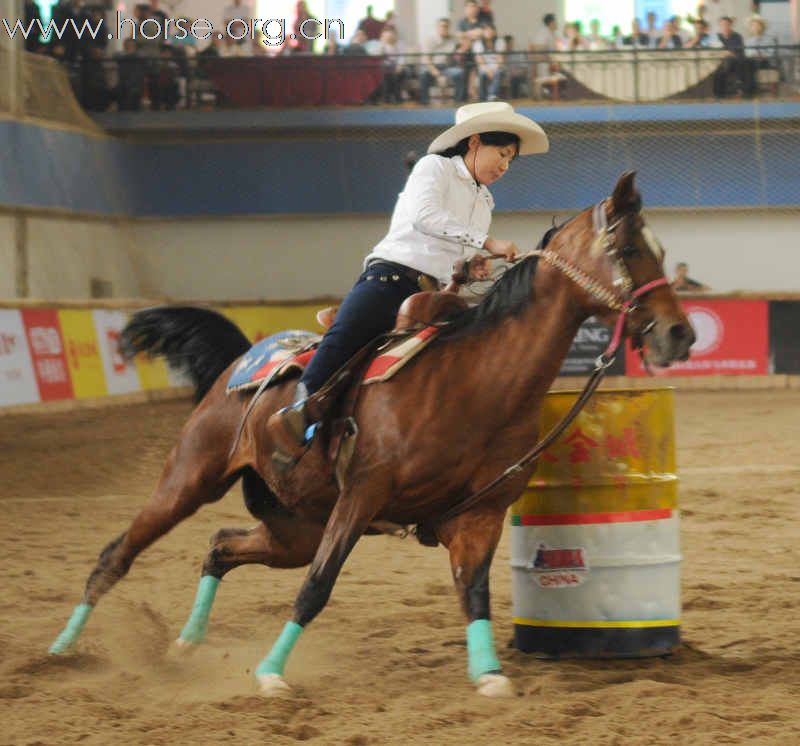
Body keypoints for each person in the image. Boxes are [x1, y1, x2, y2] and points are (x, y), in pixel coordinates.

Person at [266, 101, 549, 471]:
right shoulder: (434, 168)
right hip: (391, 280)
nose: (504, 166)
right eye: (502, 153)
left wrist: (470, 265)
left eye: (511, 159)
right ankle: (298, 418)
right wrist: (488, 242)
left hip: (438, 298)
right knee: (343, 340)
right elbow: (424, 217)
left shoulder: (485, 199)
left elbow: (453, 250)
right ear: (475, 141)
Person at [419, 18, 466, 105]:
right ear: (437, 27)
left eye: (446, 27)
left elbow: (466, 42)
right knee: (423, 73)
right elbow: (427, 60)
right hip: (430, 67)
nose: (444, 28)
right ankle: (424, 101)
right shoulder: (429, 40)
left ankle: (458, 101)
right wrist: (438, 75)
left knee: (460, 73)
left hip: (445, 68)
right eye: (442, 26)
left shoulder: (452, 39)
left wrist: (461, 47)